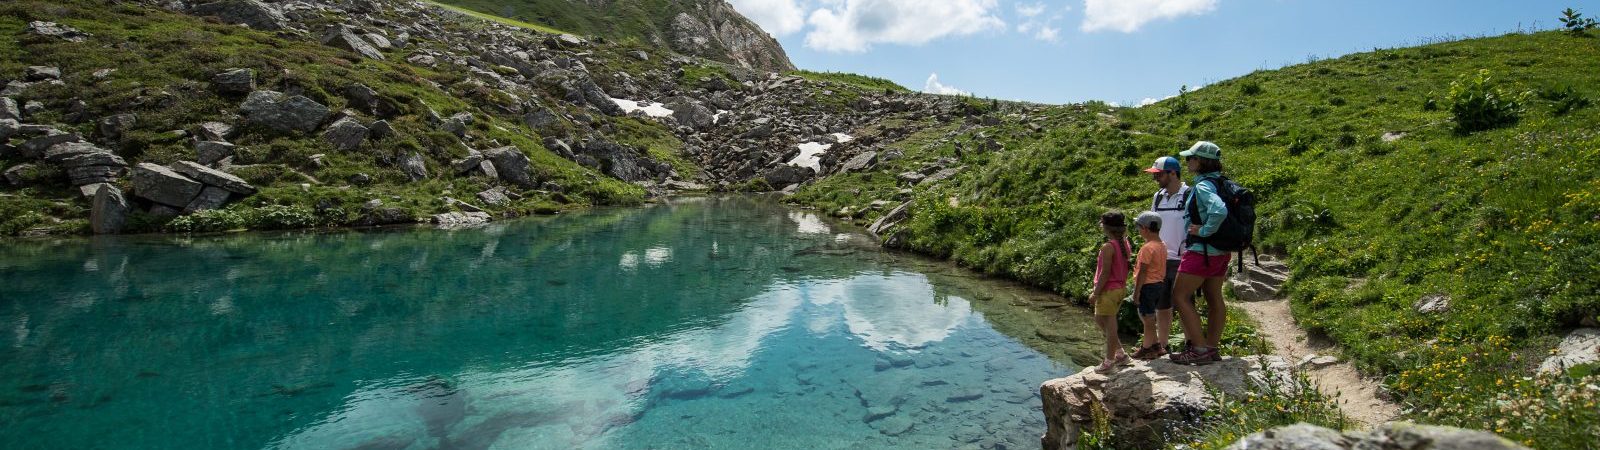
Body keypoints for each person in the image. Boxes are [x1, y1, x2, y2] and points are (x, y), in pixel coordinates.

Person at [1169, 141, 1231, 365]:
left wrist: (1203, 230)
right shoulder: (1222, 182)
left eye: (1190, 158)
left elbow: (1219, 210)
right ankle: (1212, 348)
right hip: (1221, 251)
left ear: (1201, 161)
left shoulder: (1204, 186)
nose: (1187, 162)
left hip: (1201, 251)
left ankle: (1198, 349)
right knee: (1214, 297)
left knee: (1179, 296)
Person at [1142, 156, 1188, 356]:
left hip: (1183, 259)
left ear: (1173, 173)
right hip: (1160, 258)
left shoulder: (1189, 195)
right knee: (1162, 304)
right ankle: (1162, 344)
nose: (1156, 179)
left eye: (1159, 175)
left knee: (1185, 303)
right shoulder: (1158, 196)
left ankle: (1191, 344)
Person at [1090, 210, 1132, 373]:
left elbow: (1105, 273)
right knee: (1100, 319)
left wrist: (1095, 292)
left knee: (1109, 324)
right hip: (1119, 288)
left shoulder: (1108, 247)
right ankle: (1120, 353)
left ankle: (1109, 361)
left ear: (1106, 227)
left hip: (1109, 290)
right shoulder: (1124, 243)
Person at [1129, 212, 1169, 359]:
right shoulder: (1162, 245)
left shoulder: (1147, 248)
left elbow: (1143, 272)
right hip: (1159, 285)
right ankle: (1157, 345)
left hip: (1147, 286)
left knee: (1147, 318)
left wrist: (1136, 292)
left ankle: (1146, 348)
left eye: (1138, 227)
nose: (1138, 230)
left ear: (1145, 228)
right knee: (1149, 316)